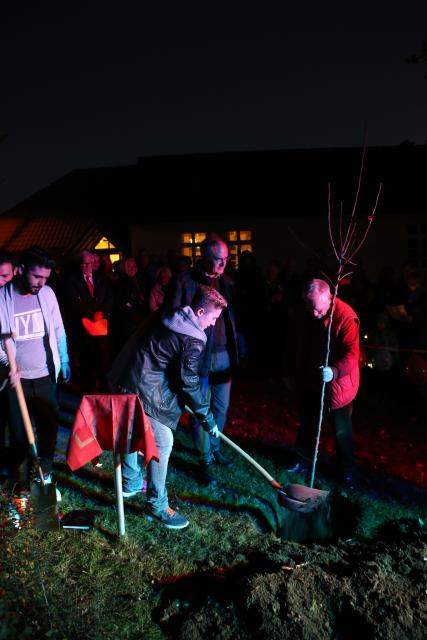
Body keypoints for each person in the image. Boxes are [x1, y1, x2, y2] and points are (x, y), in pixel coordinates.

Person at [107, 285, 228, 529]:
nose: (214, 324)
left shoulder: (169, 314)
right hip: (143, 387)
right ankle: (157, 507)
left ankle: (130, 481)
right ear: (201, 310)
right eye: (213, 318)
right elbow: (189, 383)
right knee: (163, 441)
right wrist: (207, 418)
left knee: (132, 428)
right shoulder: (193, 338)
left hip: (123, 377)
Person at [167, 234, 239, 484]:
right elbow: (173, 317)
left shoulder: (228, 282)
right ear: (205, 256)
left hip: (223, 355)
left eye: (226, 259)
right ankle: (204, 458)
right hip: (198, 357)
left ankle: (215, 448)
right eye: (218, 259)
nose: (223, 264)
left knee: (220, 407)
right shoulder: (185, 281)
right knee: (201, 410)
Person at [0, 246, 71, 495]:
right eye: (36, 277)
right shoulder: (1, 298)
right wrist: (9, 362)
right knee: (19, 437)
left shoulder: (48, 294)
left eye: (45, 278)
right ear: (21, 270)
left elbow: (59, 329)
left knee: (48, 431)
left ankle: (44, 477)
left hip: (44, 377)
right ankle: (19, 485)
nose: (41, 283)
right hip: (16, 381)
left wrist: (64, 360)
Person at [288, 278, 360, 483]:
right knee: (307, 423)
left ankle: (346, 470)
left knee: (341, 431)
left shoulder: (346, 317)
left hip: (338, 385)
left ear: (329, 298)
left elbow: (352, 355)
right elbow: (294, 343)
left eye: (319, 310)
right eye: (310, 308)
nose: (315, 314)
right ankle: (302, 460)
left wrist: (334, 371)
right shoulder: (304, 313)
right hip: (311, 379)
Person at [0, 250, 17, 478]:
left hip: (10, 365)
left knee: (13, 420)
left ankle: (12, 469)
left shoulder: (11, 295)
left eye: (4, 276)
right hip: (4, 363)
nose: (1, 281)